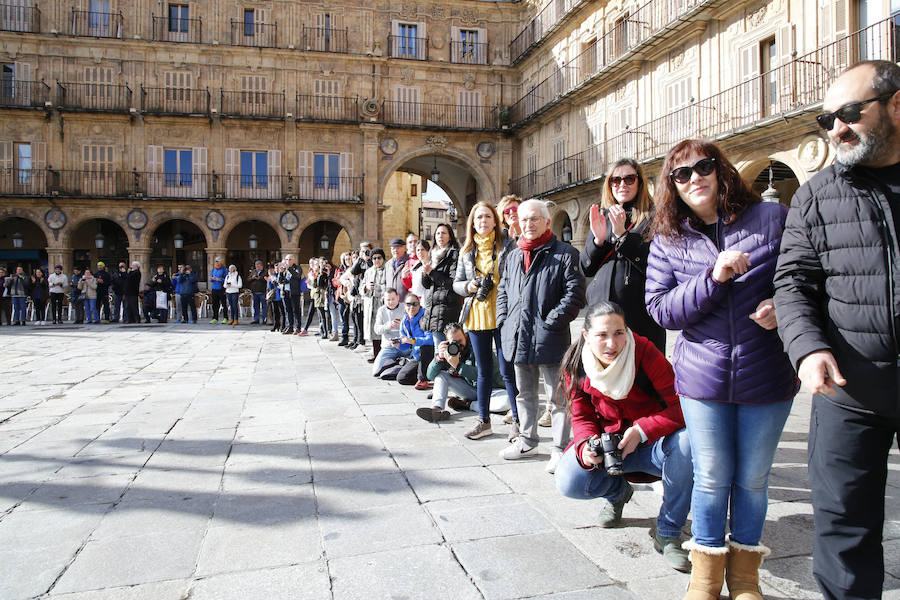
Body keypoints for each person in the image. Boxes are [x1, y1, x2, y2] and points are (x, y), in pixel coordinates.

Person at [645, 139, 798, 600]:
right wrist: (714, 277)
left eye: (703, 167)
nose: (695, 178)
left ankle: (746, 578)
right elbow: (662, 311)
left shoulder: (772, 219)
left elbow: (803, 278)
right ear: (671, 186)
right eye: (682, 174)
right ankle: (706, 576)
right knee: (711, 478)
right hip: (702, 379)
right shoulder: (668, 240)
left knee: (753, 479)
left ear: (721, 170)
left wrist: (782, 306)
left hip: (766, 372)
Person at [773, 61, 900, 600]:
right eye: (827, 119)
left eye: (849, 113)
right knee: (845, 530)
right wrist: (806, 348)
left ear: (896, 106)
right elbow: (792, 282)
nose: (836, 129)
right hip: (849, 391)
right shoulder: (816, 195)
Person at [554, 301, 693, 572]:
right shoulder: (576, 363)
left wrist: (643, 431)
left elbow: (683, 408)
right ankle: (618, 493)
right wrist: (586, 448)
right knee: (569, 479)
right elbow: (581, 417)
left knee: (687, 444)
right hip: (610, 450)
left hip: (653, 445)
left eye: (619, 333)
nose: (612, 343)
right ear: (586, 336)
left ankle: (668, 531)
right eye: (602, 335)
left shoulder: (644, 352)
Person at [497, 199, 586, 473]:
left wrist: (552, 322)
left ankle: (559, 448)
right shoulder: (512, 255)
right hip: (518, 335)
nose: (529, 224)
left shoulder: (565, 253)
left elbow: (575, 294)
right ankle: (527, 440)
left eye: (535, 219)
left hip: (551, 337)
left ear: (547, 221)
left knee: (558, 396)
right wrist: (504, 320)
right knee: (524, 393)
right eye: (524, 220)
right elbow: (503, 290)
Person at [581, 159, 665, 353]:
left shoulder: (654, 217)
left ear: (639, 182)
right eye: (615, 180)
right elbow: (587, 267)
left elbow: (655, 263)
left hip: (638, 317)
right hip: (601, 315)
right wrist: (598, 241)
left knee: (640, 375)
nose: (622, 185)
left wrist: (623, 236)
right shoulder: (603, 216)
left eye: (629, 179)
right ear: (609, 185)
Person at [453, 201, 519, 441]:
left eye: (487, 217)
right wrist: (468, 286)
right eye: (479, 218)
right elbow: (456, 283)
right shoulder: (466, 251)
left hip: (503, 316)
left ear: (495, 220)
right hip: (476, 316)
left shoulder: (507, 245)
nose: (483, 221)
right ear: (473, 222)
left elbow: (516, 275)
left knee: (507, 370)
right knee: (483, 371)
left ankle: (518, 422)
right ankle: (484, 421)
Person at [415, 322, 511, 422]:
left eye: (460, 340)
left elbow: (481, 375)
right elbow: (430, 376)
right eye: (453, 342)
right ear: (447, 342)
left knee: (507, 402)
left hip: (492, 389)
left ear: (466, 336)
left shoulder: (477, 347)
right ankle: (437, 409)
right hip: (471, 390)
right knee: (441, 376)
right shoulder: (449, 352)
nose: (458, 345)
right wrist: (438, 358)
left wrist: (458, 365)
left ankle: (468, 405)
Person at [420, 224, 461, 347]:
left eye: (444, 233)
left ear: (450, 236)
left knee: (444, 349)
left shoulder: (454, 255)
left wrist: (432, 272)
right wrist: (425, 273)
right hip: (433, 308)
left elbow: (452, 283)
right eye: (438, 233)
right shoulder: (433, 255)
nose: (440, 236)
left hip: (448, 308)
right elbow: (427, 285)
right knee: (440, 350)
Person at [394, 292, 435, 388]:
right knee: (402, 378)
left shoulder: (426, 317)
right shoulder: (404, 321)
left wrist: (413, 340)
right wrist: (399, 344)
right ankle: (425, 376)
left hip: (429, 354)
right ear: (404, 305)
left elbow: (431, 340)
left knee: (425, 348)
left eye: (415, 304)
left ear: (419, 304)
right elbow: (406, 344)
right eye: (408, 304)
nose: (412, 307)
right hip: (417, 356)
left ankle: (423, 379)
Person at [371, 288, 405, 376]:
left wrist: (402, 325)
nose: (391, 302)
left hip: (404, 344)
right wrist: (387, 326)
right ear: (384, 300)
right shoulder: (381, 310)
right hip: (389, 346)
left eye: (393, 299)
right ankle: (395, 364)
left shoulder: (404, 308)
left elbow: (413, 327)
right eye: (388, 300)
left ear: (398, 297)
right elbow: (377, 329)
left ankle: (400, 365)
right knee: (376, 371)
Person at [362, 248, 388, 362]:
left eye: (379, 258)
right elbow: (361, 287)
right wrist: (366, 287)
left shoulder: (387, 270)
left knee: (383, 329)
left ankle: (385, 356)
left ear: (383, 258)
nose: (376, 260)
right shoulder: (369, 271)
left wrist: (376, 288)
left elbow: (388, 286)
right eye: (374, 258)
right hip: (370, 304)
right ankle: (376, 353)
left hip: (382, 303)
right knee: (373, 331)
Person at [334, 252, 353, 345]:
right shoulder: (340, 269)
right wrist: (339, 280)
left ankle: (357, 339)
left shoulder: (354, 269)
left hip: (351, 296)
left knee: (354, 318)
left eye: (349, 259)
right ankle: (344, 337)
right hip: (342, 296)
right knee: (343, 317)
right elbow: (335, 282)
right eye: (346, 259)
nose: (348, 261)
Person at [284, 254, 303, 334]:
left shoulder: (297, 268)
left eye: (289, 259)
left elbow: (297, 276)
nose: (287, 261)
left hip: (294, 292)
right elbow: (281, 279)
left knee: (296, 310)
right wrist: (281, 273)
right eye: (286, 259)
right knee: (288, 310)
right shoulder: (284, 269)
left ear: (293, 260)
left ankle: (298, 327)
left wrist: (290, 269)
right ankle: (290, 326)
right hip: (286, 291)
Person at [208, 256, 227, 324]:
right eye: (215, 261)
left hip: (221, 289)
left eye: (218, 261)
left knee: (224, 304)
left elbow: (227, 279)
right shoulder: (213, 269)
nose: (216, 262)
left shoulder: (225, 270)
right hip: (214, 288)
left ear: (221, 262)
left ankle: (225, 318)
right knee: (215, 304)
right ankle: (215, 318)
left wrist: (220, 279)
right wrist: (211, 279)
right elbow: (211, 277)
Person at [248, 260, 268, 325]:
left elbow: (267, 279)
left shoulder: (265, 271)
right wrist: (252, 278)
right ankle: (256, 319)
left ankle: (264, 319)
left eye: (258, 266)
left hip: (262, 291)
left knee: (264, 306)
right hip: (255, 291)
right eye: (256, 266)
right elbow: (248, 279)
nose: (257, 267)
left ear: (261, 266)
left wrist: (260, 278)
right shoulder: (253, 271)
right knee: (255, 306)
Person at [266, 264, 283, 332]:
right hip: (273, 297)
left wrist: (274, 283)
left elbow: (280, 285)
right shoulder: (271, 277)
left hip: (280, 296)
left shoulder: (279, 276)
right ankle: (276, 325)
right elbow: (269, 288)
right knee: (275, 312)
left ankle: (282, 325)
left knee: (282, 312)